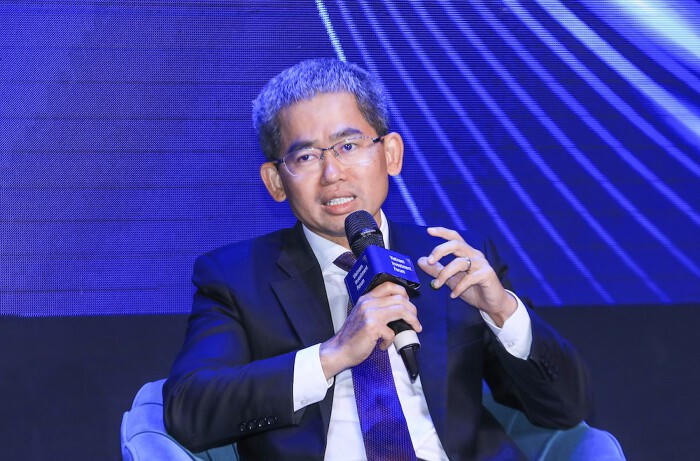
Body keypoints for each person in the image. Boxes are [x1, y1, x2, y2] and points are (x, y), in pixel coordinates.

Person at [163, 58, 590, 461]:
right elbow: (190, 410)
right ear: (276, 181)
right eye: (307, 156)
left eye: (348, 145)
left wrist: (502, 311)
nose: (332, 173)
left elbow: (566, 408)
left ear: (391, 154)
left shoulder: (450, 258)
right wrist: (332, 354)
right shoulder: (236, 277)